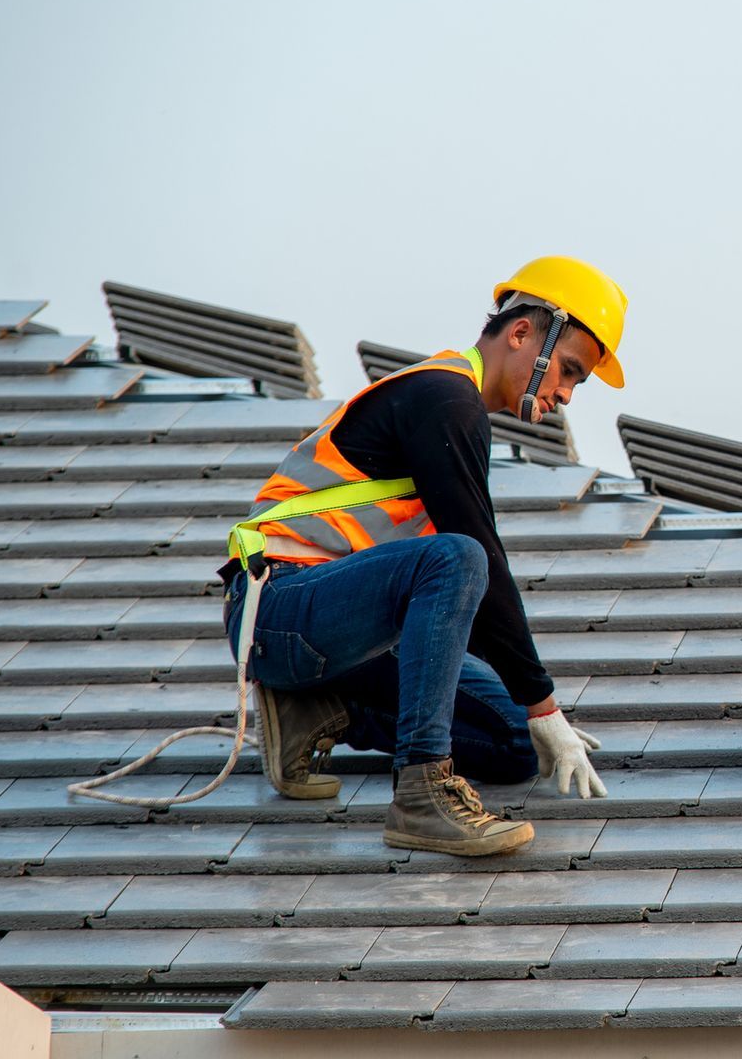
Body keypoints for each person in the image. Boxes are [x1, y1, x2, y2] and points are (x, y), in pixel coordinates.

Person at [220, 256, 627, 856]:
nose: (565, 394)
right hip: (277, 608)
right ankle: (422, 793)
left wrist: (535, 717)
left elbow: (467, 597)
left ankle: (319, 706)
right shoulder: (445, 399)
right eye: (567, 371)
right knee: (459, 558)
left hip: (333, 630)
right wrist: (545, 703)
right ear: (521, 335)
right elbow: (475, 560)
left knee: (516, 743)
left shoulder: (452, 406)